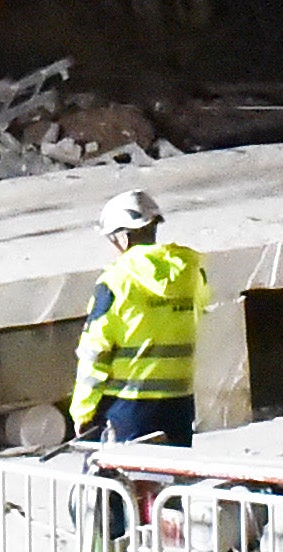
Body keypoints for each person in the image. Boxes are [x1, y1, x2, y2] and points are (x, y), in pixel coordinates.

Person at [70, 187, 206, 449]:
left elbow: (94, 352)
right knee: (169, 483)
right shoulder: (190, 273)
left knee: (112, 484)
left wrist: (83, 411)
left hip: (128, 406)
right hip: (179, 405)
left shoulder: (116, 281)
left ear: (122, 237)